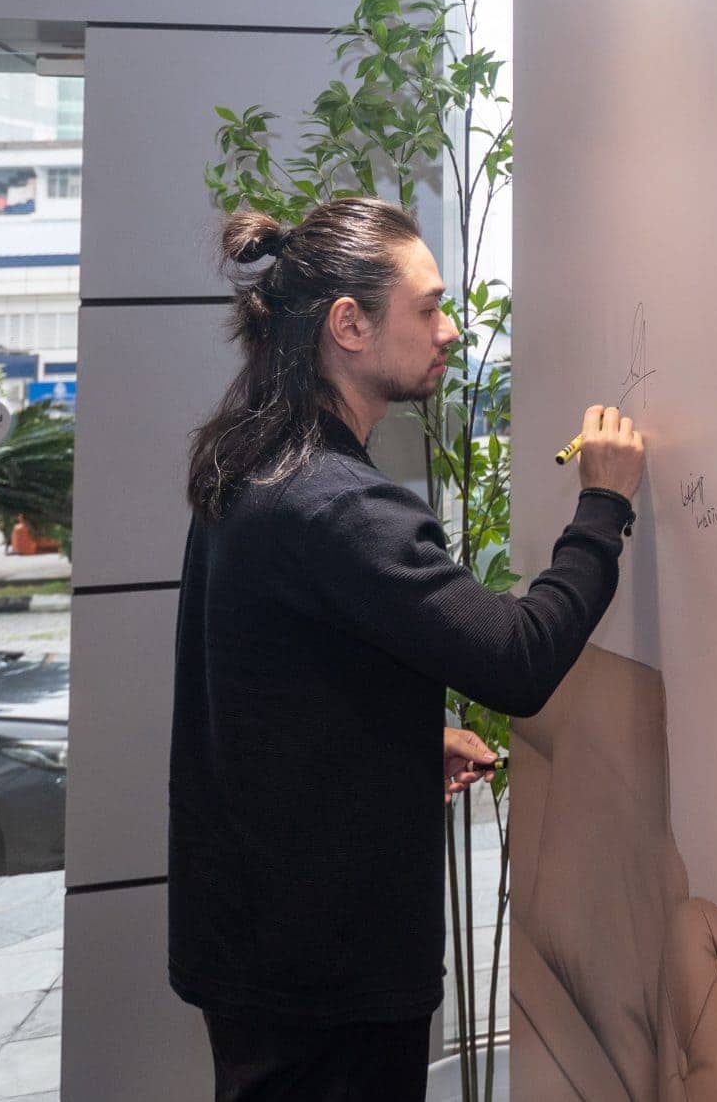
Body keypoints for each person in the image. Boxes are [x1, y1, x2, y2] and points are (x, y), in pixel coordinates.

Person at [168, 196, 643, 1099]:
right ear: (349, 324)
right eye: (427, 307)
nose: (451, 329)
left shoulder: (251, 460)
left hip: (256, 940)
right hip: (324, 971)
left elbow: (265, 683)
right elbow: (516, 657)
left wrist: (394, 746)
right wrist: (603, 507)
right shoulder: (338, 502)